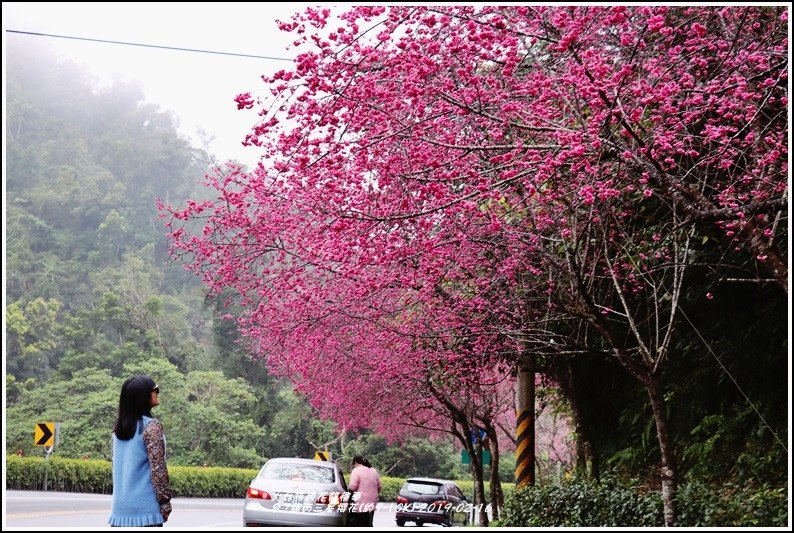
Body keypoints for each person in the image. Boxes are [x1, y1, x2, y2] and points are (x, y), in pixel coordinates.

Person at [108, 375, 172, 527]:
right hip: (146, 512)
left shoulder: (118, 428)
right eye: (155, 389)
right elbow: (158, 470)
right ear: (144, 396)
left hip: (119, 511)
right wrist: (165, 502)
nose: (157, 392)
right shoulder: (152, 427)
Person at [347, 455, 381, 527]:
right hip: (372, 501)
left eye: (354, 465)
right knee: (369, 521)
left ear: (355, 462)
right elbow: (379, 486)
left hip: (360, 502)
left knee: (360, 522)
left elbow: (352, 487)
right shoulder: (373, 470)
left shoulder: (356, 470)